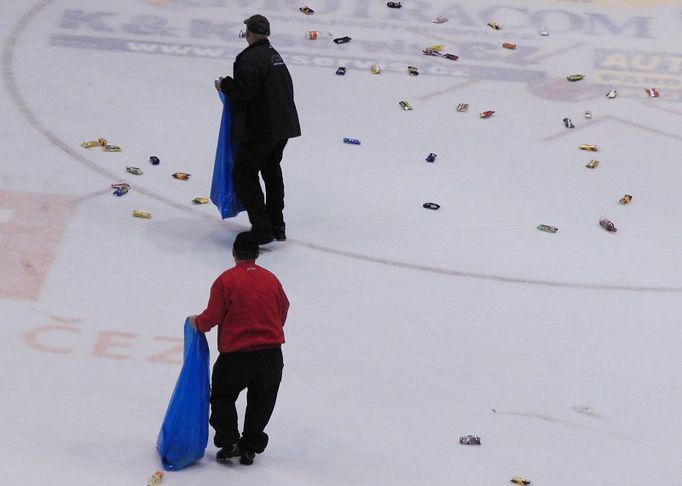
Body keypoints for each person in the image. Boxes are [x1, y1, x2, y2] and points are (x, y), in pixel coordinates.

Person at [189, 231, 289, 465]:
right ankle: (250, 447)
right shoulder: (271, 279)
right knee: (262, 400)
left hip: (236, 356)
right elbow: (283, 309)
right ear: (257, 254)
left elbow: (212, 317)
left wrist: (196, 323)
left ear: (233, 253)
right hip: (271, 354)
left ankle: (229, 441)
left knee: (223, 396)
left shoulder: (226, 280)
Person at [216, 14, 301, 245]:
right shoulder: (274, 56)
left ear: (250, 33)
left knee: (244, 175)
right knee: (271, 170)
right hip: (283, 126)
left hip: (262, 129)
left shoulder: (251, 58)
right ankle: (277, 225)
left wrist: (225, 84)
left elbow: (245, 92)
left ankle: (263, 229)